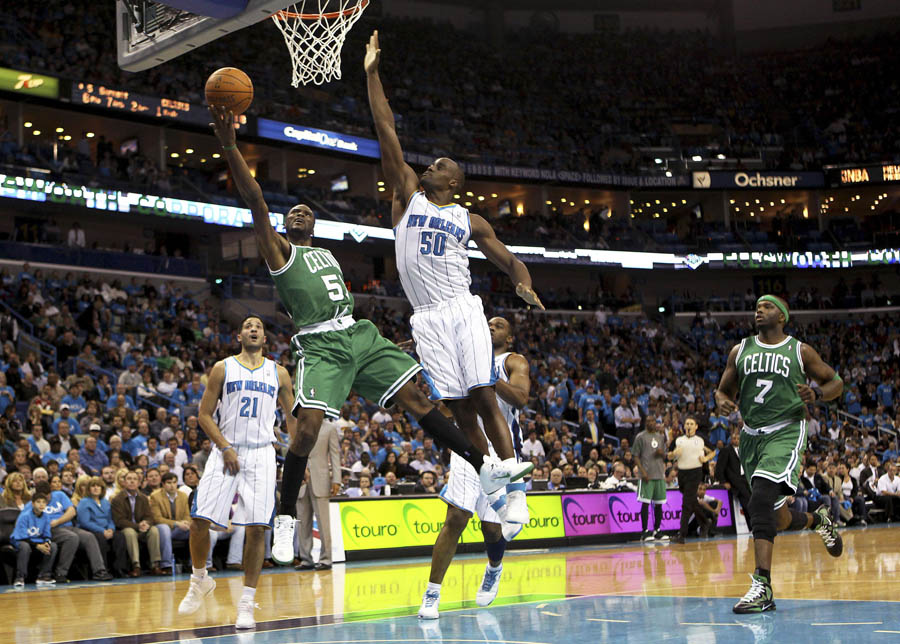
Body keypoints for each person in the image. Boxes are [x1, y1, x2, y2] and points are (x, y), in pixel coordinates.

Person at [206, 106, 531, 567]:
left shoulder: (328, 256)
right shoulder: (279, 251)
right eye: (291, 213)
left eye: (305, 211)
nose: (298, 212)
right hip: (320, 344)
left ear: (315, 225)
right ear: (283, 228)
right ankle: (283, 518)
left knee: (421, 402)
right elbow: (255, 197)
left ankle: (489, 471)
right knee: (308, 431)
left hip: (359, 336)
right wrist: (230, 146)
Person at [365, 32, 540, 527]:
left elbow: (509, 260)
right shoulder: (407, 199)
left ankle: (515, 486)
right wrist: (373, 73)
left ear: (453, 182)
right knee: (459, 409)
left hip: (462, 307)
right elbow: (386, 130)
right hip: (426, 319)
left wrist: (523, 284)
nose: (429, 165)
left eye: (439, 165)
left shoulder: (469, 219)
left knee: (484, 393)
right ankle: (490, 475)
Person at [715, 294, 843, 613]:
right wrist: (720, 400)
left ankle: (763, 587)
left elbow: (835, 382)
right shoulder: (740, 350)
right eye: (757, 306)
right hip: (751, 436)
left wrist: (817, 393)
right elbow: (723, 390)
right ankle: (818, 519)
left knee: (758, 501)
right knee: (776, 517)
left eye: (767, 306)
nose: (759, 310)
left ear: (782, 316)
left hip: (786, 430)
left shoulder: (799, 351)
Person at [178, 316, 294, 630]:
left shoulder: (279, 373)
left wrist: (300, 458)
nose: (254, 328)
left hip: (262, 453)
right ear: (238, 335)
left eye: (259, 325)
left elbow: (292, 417)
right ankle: (199, 579)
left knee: (257, 529)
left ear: (265, 338)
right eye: (248, 325)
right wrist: (226, 447)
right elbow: (203, 415)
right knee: (200, 519)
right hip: (225, 449)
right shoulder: (222, 368)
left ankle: (246, 603)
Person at [418, 317, 530, 619]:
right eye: (489, 323)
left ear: (510, 337)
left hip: (503, 449)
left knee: (492, 528)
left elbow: (521, 398)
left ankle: (494, 568)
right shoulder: (465, 361)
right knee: (456, 517)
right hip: (468, 446)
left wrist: (486, 380)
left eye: (500, 324)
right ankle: (432, 593)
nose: (492, 326)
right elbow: (447, 408)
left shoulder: (513, 361)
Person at [296, 419, 341, 571]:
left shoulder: (330, 428)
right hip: (301, 479)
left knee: (323, 523)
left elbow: (335, 454)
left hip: (320, 478)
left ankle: (326, 558)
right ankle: (305, 559)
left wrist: (337, 479)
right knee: (303, 522)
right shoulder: (299, 424)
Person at [667, 415, 714, 544]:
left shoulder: (700, 439)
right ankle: (704, 522)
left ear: (696, 426)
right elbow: (669, 455)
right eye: (687, 423)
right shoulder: (678, 440)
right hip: (682, 473)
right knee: (691, 500)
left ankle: (682, 534)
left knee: (686, 503)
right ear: (684, 426)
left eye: (691, 424)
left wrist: (706, 459)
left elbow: (713, 451)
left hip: (695, 472)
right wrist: (674, 454)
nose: (689, 426)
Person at [111, 470, 164, 577]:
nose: (132, 482)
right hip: (126, 528)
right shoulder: (117, 499)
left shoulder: (143, 498)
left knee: (154, 530)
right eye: (129, 479)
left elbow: (149, 516)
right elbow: (119, 520)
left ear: (139, 483)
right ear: (124, 483)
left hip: (142, 528)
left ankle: (155, 565)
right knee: (130, 532)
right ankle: (136, 566)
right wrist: (137, 526)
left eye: (135, 479)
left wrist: (146, 523)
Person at [11, 490, 57, 588]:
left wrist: (46, 543)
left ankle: (44, 576)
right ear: (33, 503)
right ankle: (20, 577)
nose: (41, 504)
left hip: (36, 540)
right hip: (20, 539)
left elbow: (47, 534)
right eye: (38, 502)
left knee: (53, 546)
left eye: (44, 502)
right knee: (25, 547)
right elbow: (23, 537)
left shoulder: (46, 517)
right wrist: (38, 546)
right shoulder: (24, 516)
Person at [632, 416, 668, 542]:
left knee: (659, 504)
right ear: (645, 423)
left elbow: (665, 456)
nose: (651, 423)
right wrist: (642, 472)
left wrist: (661, 454)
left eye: (653, 421)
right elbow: (635, 456)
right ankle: (644, 531)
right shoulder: (640, 437)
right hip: (646, 475)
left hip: (659, 474)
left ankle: (657, 530)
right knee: (645, 503)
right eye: (648, 421)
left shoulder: (661, 437)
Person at [150, 472, 192, 573]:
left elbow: (187, 514)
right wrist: (176, 523)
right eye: (169, 483)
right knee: (164, 528)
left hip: (179, 529)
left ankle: (193, 564)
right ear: (163, 484)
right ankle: (166, 564)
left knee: (195, 529)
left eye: (174, 482)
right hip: (163, 528)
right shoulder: (155, 497)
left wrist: (186, 523)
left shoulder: (183, 496)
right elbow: (157, 518)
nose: (172, 485)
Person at [714, 428, 752, 531]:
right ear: (731, 439)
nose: (735, 440)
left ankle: (752, 527)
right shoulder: (726, 450)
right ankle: (752, 527)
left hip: (746, 479)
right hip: (735, 481)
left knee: (751, 501)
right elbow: (719, 468)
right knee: (747, 502)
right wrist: (723, 482)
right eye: (733, 438)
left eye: (738, 438)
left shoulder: (743, 450)